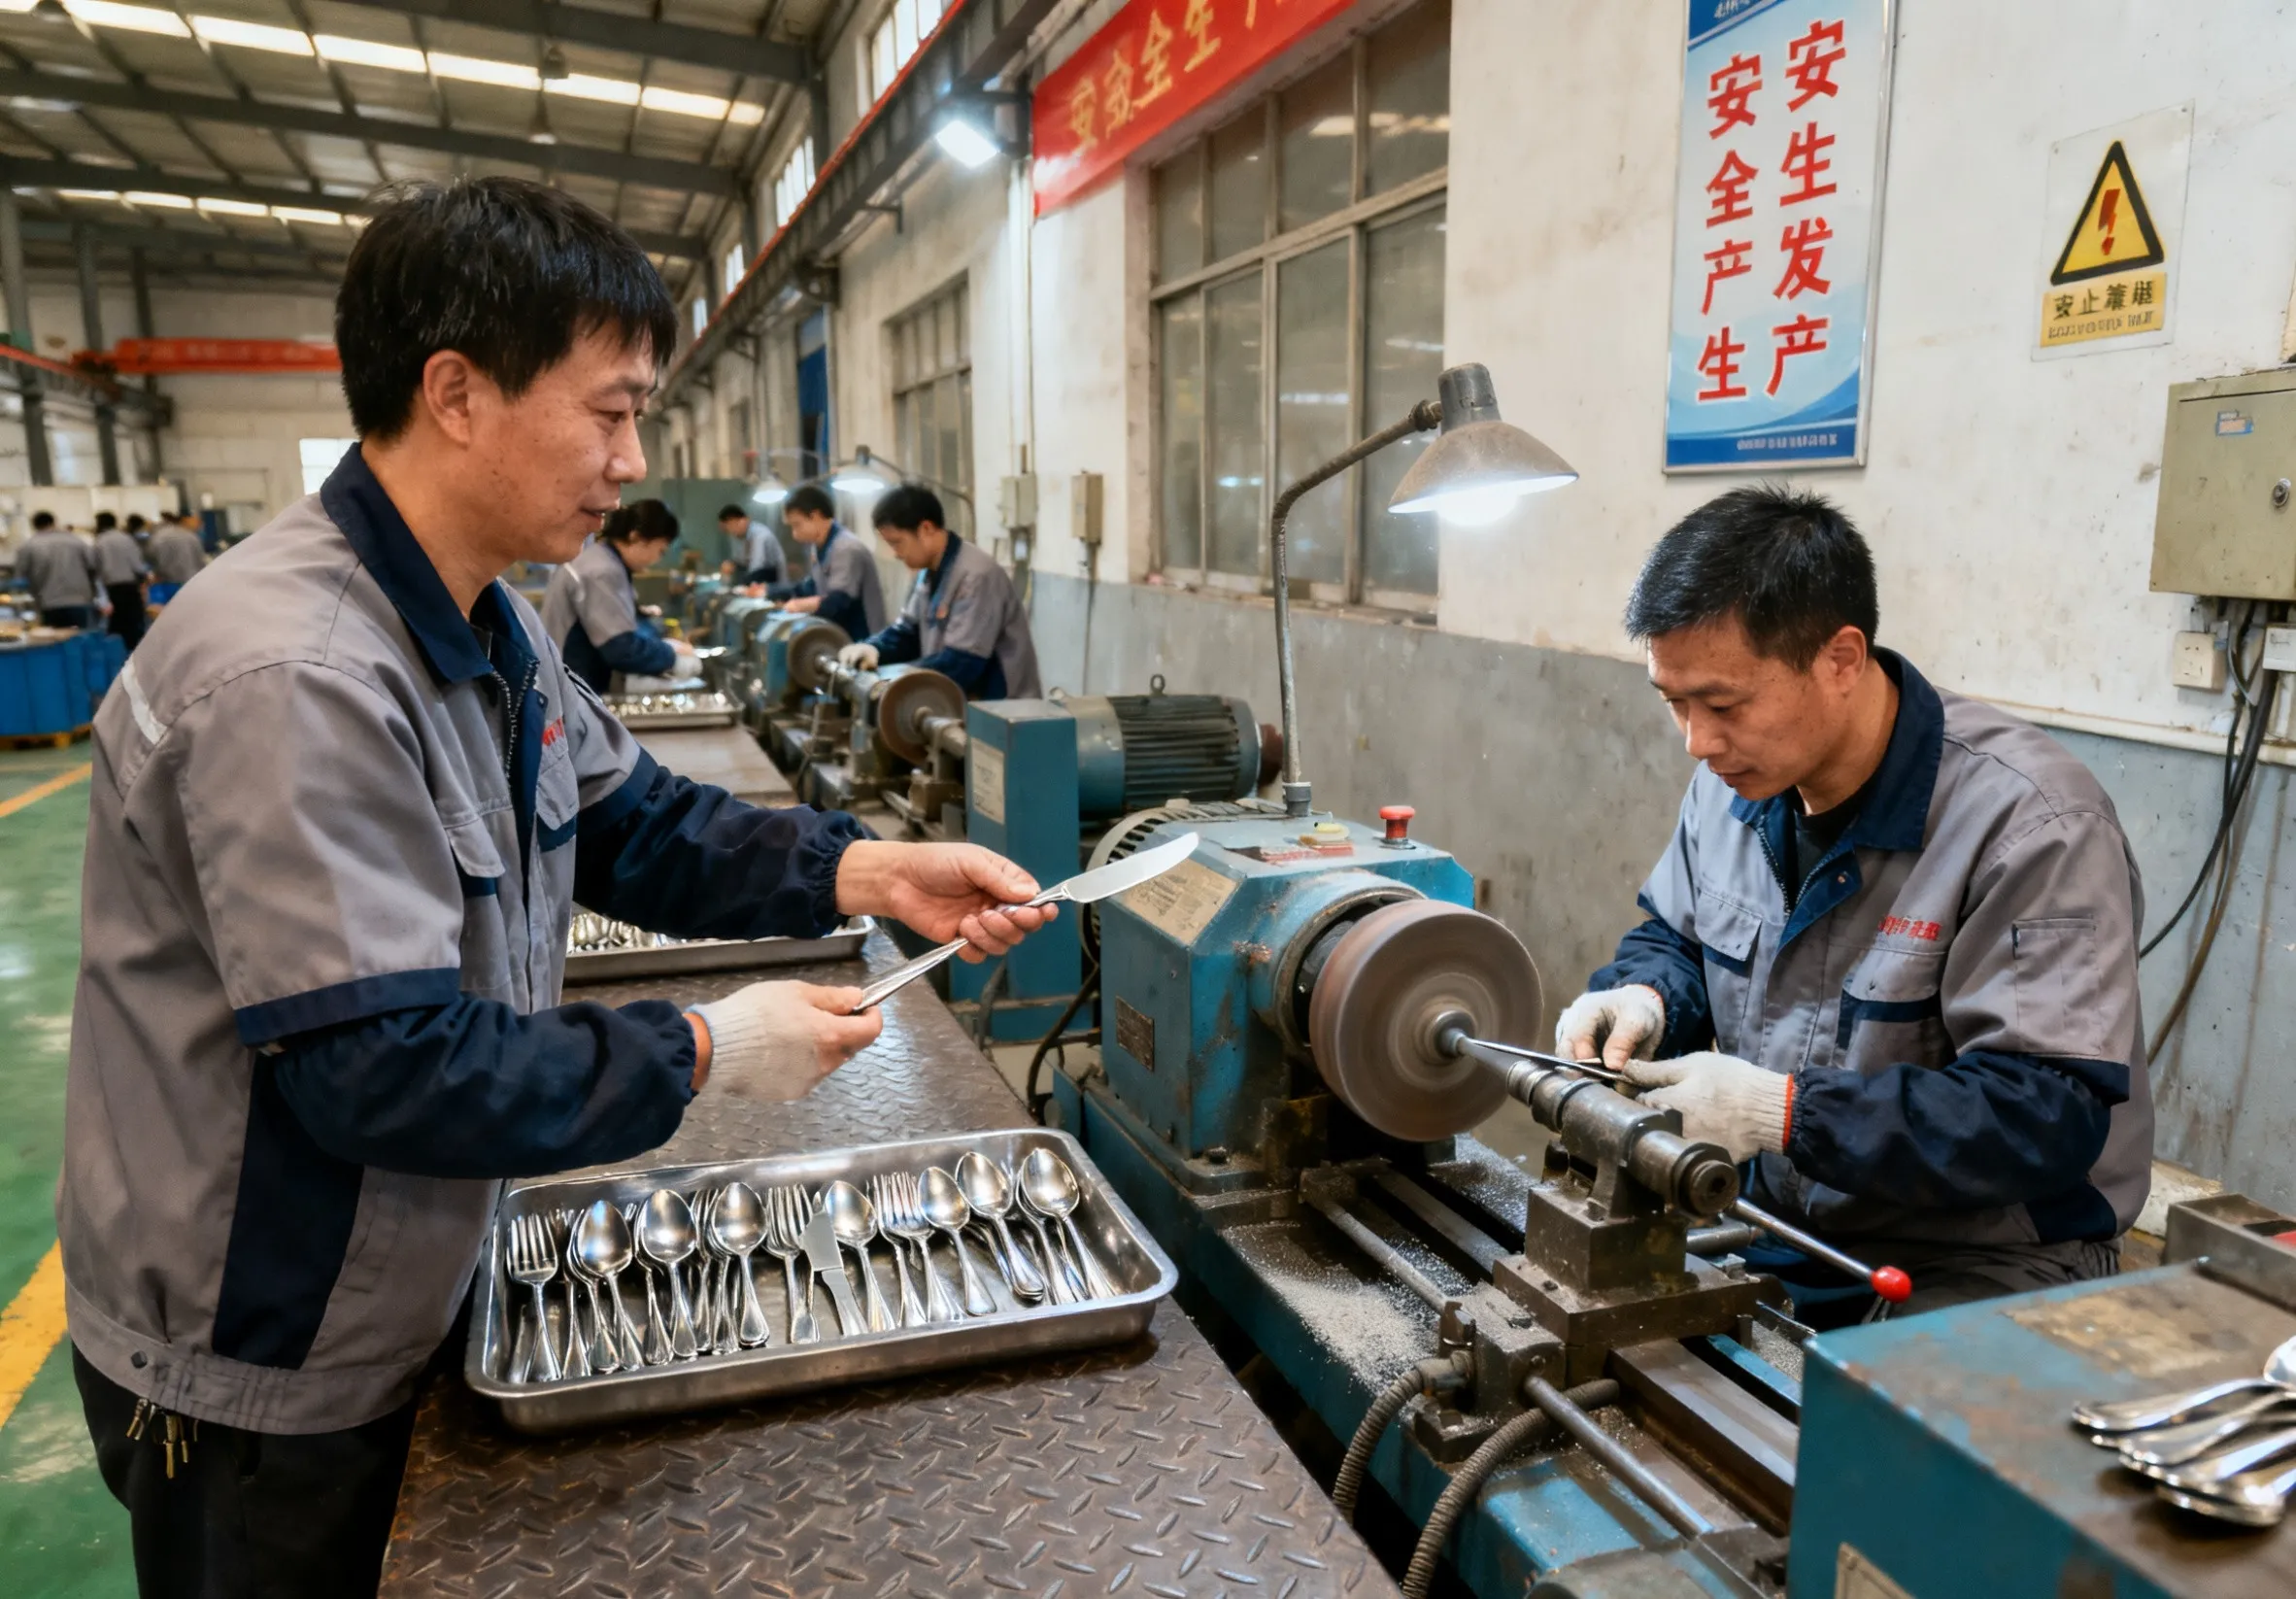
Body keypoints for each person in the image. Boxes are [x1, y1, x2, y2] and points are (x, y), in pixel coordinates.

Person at [59, 175, 1055, 1598]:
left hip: (406, 1285)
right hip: (266, 1356)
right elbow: (383, 1070)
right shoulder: (297, 674)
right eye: (609, 410)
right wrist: (711, 1046)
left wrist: (870, 865)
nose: (629, 455)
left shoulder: (492, 623)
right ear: (455, 392)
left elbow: (639, 822)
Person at [1556, 485, 2151, 1325]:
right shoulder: (1733, 785)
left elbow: (2039, 1113)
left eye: (1722, 704)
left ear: (1840, 658)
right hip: (1780, 1224)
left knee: (1869, 1449)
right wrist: (1646, 996)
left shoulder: (2033, 826)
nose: (1697, 740)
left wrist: (1783, 1114)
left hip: (1980, 1258)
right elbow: (1678, 937)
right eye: (1674, 704)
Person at [834, 486, 1040, 699]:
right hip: (959, 705)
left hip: (1002, 710)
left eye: (897, 543)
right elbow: (907, 633)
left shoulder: (976, 575)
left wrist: (894, 678)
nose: (896, 554)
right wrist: (873, 649)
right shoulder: (928, 575)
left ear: (925, 529)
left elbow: (962, 663)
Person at [540, 497, 698, 693]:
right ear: (636, 537)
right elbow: (621, 649)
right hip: (571, 683)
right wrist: (672, 657)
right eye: (660, 551)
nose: (657, 559)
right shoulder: (603, 570)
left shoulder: (605, 560)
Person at [766, 483, 886, 639]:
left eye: (797, 525)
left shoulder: (846, 548)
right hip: (837, 635)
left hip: (862, 638)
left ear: (815, 516)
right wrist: (769, 592)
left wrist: (801, 605)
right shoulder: (819, 547)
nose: (794, 534)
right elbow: (809, 587)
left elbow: (838, 603)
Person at [17, 510, 100, 629]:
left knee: (56, 642)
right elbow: (93, 566)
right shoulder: (75, 541)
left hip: (49, 604)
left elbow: (20, 576)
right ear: (54, 522)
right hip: (80, 600)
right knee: (82, 640)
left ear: (34, 525)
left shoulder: (29, 545)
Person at [93, 510, 150, 651]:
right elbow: (138, 566)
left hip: (112, 590)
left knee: (116, 628)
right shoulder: (126, 538)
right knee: (134, 626)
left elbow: (96, 569)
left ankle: (119, 660)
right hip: (130, 588)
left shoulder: (99, 541)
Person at [147, 512, 208, 604]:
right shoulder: (191, 536)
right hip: (190, 583)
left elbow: (150, 558)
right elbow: (200, 560)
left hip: (166, 583)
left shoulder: (158, 537)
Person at [720, 501, 785, 587]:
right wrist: (730, 565)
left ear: (745, 520)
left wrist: (743, 585)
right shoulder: (735, 536)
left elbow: (757, 565)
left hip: (771, 572)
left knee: (748, 580)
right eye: (729, 527)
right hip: (753, 571)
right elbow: (738, 560)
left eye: (734, 524)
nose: (732, 530)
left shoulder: (760, 534)